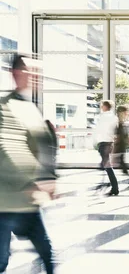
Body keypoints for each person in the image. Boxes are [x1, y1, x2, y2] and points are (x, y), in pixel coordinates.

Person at [0, 55, 57, 274]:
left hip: (27, 202)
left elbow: (42, 148)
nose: (37, 77)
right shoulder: (6, 107)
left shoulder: (30, 108)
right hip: (6, 201)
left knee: (46, 251)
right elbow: (8, 148)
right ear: (16, 73)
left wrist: (49, 179)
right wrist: (31, 182)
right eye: (31, 72)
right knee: (1, 260)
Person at [95, 100, 120, 195]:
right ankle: (109, 185)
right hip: (110, 143)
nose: (101, 107)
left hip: (104, 143)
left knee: (107, 166)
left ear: (105, 107)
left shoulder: (103, 117)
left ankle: (115, 188)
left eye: (102, 106)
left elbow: (98, 130)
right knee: (105, 165)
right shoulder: (114, 117)